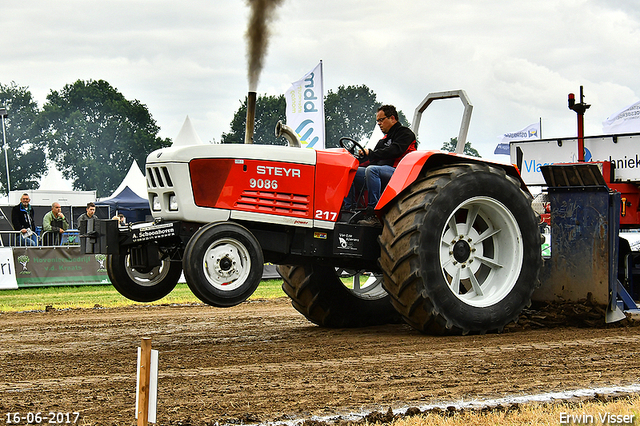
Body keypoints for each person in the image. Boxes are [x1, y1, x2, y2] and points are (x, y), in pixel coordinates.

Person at [344, 105, 417, 225]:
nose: (379, 123)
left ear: (392, 118)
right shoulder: (383, 141)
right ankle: (348, 209)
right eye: (377, 121)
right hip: (382, 170)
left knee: (372, 171)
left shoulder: (405, 134)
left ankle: (374, 212)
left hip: (399, 173)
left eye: (381, 120)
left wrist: (371, 153)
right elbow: (374, 159)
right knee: (350, 170)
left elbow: (395, 150)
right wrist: (360, 157)